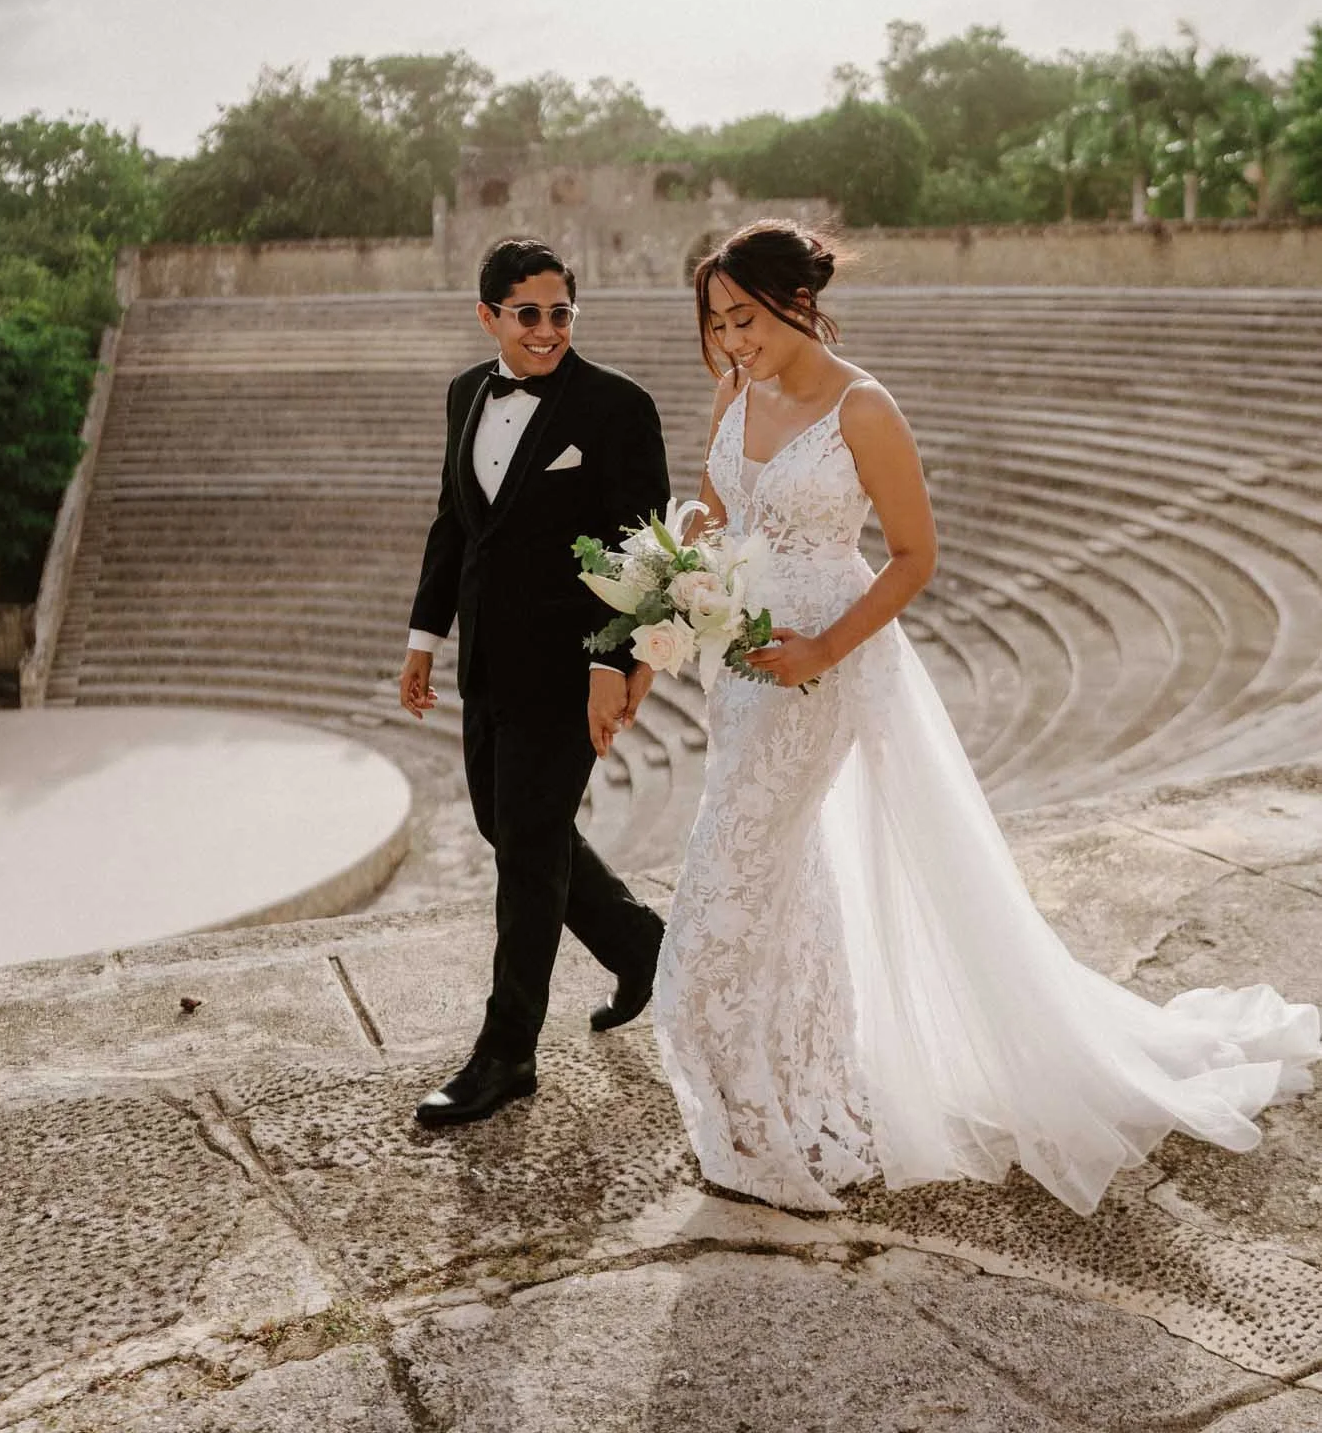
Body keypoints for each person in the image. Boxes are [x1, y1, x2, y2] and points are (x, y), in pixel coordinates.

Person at [652, 219, 1319, 1216]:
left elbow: (916, 555)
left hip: (819, 670)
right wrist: (677, 572)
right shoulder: (737, 390)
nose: (732, 341)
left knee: (720, 889)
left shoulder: (863, 408)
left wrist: (822, 648)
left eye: (744, 318)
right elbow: (718, 504)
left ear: (794, 300)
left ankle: (766, 1109)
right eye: (715, 325)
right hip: (741, 670)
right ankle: (803, 1092)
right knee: (786, 877)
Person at [400, 235, 670, 1127]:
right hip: (488, 660)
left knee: (524, 847)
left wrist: (611, 665)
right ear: (488, 316)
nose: (547, 329)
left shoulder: (617, 407)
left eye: (561, 313)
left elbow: (643, 552)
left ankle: (506, 1051)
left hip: (572, 669)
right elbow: (455, 525)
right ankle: (640, 943)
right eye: (528, 314)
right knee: (504, 823)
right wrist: (423, 639)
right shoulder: (462, 395)